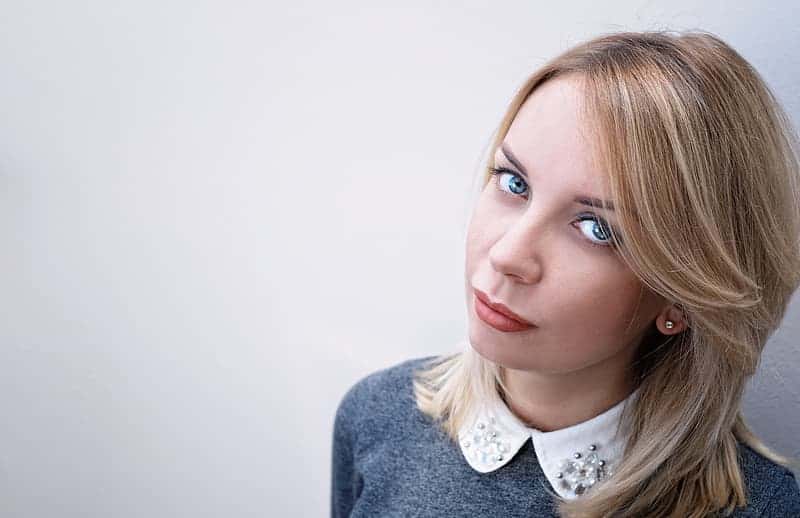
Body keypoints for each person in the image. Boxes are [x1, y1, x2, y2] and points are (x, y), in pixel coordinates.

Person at [330, 29, 800, 517]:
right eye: (514, 183)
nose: (508, 255)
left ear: (682, 297)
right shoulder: (376, 415)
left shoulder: (763, 508)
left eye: (596, 228)